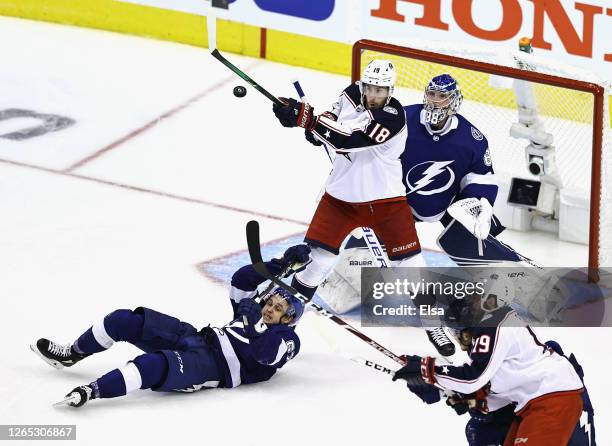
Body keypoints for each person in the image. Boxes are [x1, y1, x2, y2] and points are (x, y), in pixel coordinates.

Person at [30, 245, 310, 407]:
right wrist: (280, 264)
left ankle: (91, 391)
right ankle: (71, 353)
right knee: (123, 320)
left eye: (277, 309)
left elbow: (266, 354)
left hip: (211, 367)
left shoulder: (287, 339)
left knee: (152, 365)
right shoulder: (253, 311)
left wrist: (252, 321)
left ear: (288, 318)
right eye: (269, 303)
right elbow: (241, 280)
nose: (269, 309)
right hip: (197, 337)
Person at [271, 59, 425, 303]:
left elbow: (348, 140)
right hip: (340, 198)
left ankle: (434, 322)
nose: (373, 95)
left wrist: (311, 121)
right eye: (369, 88)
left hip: (386, 201)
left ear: (390, 91)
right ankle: (290, 311)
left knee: (409, 264)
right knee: (318, 259)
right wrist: (312, 126)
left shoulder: (393, 117)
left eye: (380, 90)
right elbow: (332, 117)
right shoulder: (352, 93)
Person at [392, 273, 587, 446]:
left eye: (475, 297)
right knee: (478, 429)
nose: (470, 302)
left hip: (552, 400)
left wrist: (428, 370)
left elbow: (472, 379)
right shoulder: (494, 331)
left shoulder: (495, 324)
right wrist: (452, 393)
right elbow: (488, 385)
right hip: (535, 403)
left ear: (491, 301)